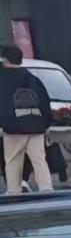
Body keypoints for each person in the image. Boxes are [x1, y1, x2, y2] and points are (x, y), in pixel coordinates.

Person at [0, 45, 53, 194]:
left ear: (5, 60)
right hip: (36, 125)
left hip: (13, 127)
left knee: (13, 161)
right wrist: (46, 124)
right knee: (39, 160)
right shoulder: (32, 78)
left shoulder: (2, 79)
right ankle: (46, 188)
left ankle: (14, 190)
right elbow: (44, 102)